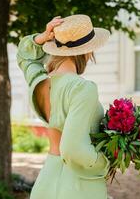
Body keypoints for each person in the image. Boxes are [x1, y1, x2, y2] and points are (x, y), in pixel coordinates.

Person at [16, 14, 111, 199]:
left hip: (47, 180)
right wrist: (107, 162)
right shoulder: (82, 88)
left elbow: (24, 56)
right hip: (78, 186)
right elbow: (72, 148)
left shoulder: (40, 81)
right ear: (88, 52)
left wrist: (40, 38)